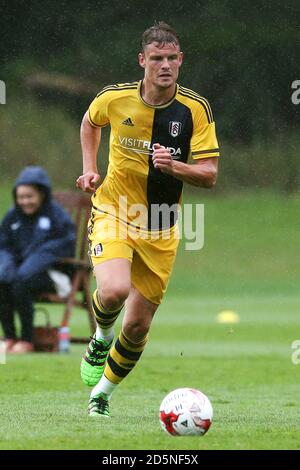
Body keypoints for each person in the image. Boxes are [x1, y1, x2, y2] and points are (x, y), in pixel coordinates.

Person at [77, 21, 220, 417]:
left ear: (181, 61)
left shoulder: (195, 109)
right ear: (142, 60)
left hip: (160, 224)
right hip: (114, 212)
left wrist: (175, 168)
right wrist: (90, 168)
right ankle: (101, 336)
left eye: (172, 58)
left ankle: (101, 396)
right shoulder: (115, 98)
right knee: (113, 292)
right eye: (157, 58)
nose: (165, 66)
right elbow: (90, 122)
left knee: (138, 326)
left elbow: (209, 174)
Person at [0, 166, 76, 353]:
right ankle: (9, 338)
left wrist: (36, 257)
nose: (25, 202)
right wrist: (7, 265)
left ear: (42, 194)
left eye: (30, 196)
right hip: (20, 273)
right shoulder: (12, 217)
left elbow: (66, 243)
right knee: (3, 279)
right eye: (21, 197)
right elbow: (4, 246)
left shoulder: (56, 216)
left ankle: (26, 341)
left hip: (54, 276)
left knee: (21, 281)